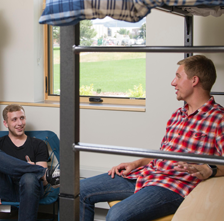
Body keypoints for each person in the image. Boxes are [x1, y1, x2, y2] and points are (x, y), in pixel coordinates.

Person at [80, 55, 224, 221]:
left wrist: (209, 169)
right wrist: (136, 163)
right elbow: (164, 154)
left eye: (178, 76)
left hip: (173, 186)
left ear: (194, 80)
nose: (173, 82)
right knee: (79, 189)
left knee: (117, 215)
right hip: (147, 174)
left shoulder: (218, 119)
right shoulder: (178, 114)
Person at [0, 104, 60, 221]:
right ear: (5, 123)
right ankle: (41, 171)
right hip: (5, 188)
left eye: (22, 118)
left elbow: (44, 182)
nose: (20, 123)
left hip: (31, 189)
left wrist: (31, 170)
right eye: (14, 119)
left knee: (29, 177)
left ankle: (36, 172)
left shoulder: (38, 144)